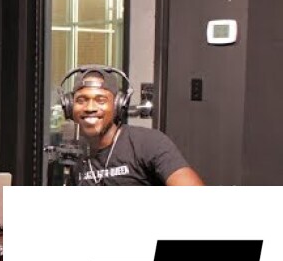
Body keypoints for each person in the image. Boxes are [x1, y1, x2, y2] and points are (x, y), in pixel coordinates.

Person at [67, 67, 205, 186]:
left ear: (118, 105)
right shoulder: (74, 155)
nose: (90, 108)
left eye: (101, 100)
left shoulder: (148, 143)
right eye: (81, 100)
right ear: (69, 107)